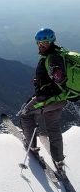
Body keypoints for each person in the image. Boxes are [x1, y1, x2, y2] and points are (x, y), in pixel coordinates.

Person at [20, 28, 67, 172]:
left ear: (52, 41)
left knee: (26, 114)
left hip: (47, 99)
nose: (41, 45)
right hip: (60, 98)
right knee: (53, 128)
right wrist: (39, 80)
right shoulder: (58, 53)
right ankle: (59, 160)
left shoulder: (52, 58)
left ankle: (31, 146)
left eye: (45, 42)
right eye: (39, 42)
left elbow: (57, 73)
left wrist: (55, 74)